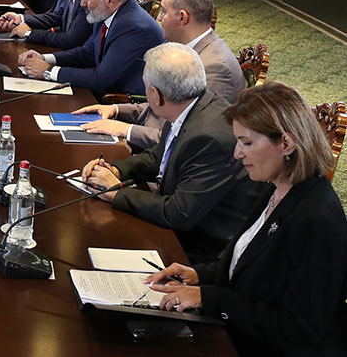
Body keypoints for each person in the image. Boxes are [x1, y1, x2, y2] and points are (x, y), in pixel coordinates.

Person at [146, 82, 347, 355]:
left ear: (286, 143)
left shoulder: (316, 220)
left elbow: (300, 327)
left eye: (247, 142)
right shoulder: (276, 186)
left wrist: (209, 298)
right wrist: (199, 275)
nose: (237, 153)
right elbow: (248, 268)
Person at [80, 43, 258, 264]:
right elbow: (159, 157)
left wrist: (116, 193)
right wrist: (115, 170)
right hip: (177, 226)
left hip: (198, 252)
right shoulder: (192, 105)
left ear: (156, 95)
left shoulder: (208, 138)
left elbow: (179, 213)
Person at [73, 0, 246, 151]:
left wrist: (126, 130)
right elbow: (163, 105)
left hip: (159, 157)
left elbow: (184, 139)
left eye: (163, 11)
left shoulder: (215, 67)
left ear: (182, 17)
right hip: (147, 143)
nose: (159, 18)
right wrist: (116, 109)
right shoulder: (182, 49)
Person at [18, 0, 164, 96]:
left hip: (122, 100)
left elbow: (101, 79)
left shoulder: (133, 27)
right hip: (103, 91)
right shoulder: (105, 12)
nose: (82, 3)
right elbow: (86, 53)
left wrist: (48, 71)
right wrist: (45, 58)